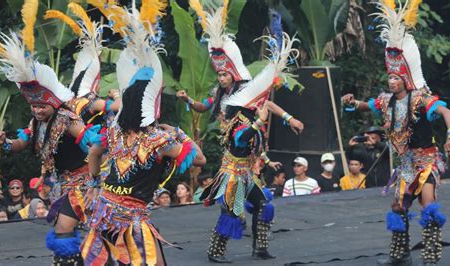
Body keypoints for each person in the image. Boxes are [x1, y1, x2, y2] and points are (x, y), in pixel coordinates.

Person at [81, 3, 206, 265]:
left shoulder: (114, 131)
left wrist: (93, 184)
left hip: (104, 208)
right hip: (131, 217)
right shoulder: (159, 141)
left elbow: (93, 151)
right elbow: (200, 160)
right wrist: (180, 133)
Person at [341, 2, 450, 264]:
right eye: (390, 77)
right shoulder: (385, 101)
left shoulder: (421, 99)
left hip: (426, 161)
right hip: (405, 164)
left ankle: (431, 256)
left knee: (428, 205)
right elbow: (365, 105)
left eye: (396, 78)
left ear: (405, 79)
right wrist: (351, 102)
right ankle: (400, 255)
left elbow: (447, 112)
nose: (391, 80)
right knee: (398, 206)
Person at [0, 3, 102, 263]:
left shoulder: (67, 119)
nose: (37, 110)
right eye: (33, 106)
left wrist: (95, 181)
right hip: (62, 185)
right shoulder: (37, 123)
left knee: (69, 232)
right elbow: (21, 144)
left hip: (81, 184)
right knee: (74, 233)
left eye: (41, 105)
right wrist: (5, 143)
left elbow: (93, 144)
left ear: (53, 102)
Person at [196, 3, 299, 262]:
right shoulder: (239, 113)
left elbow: (264, 105)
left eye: (224, 74)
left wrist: (286, 117)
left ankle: (260, 248)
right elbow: (240, 139)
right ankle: (215, 251)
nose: (221, 78)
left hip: (246, 171)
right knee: (232, 211)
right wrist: (257, 123)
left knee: (264, 205)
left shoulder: (245, 101)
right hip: (234, 174)